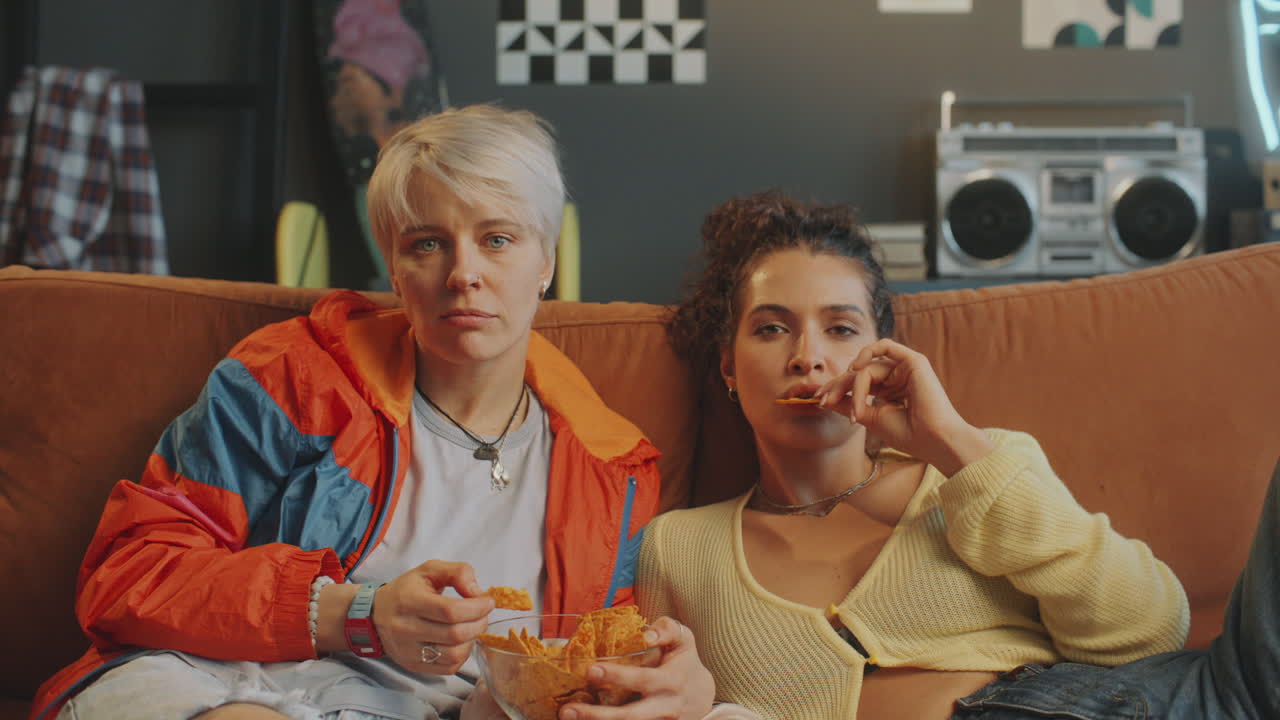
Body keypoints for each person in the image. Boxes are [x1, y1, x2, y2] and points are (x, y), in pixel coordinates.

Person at [30, 104, 714, 720]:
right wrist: (358, 612)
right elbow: (128, 578)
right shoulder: (292, 378)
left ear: (546, 262)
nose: (462, 273)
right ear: (394, 266)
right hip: (226, 685)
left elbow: (597, 648)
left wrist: (673, 683)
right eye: (427, 243)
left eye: (498, 239)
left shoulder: (613, 465)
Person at [645, 190, 1280, 720]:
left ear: (880, 353)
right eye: (772, 327)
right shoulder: (677, 548)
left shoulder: (977, 467)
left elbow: (1149, 630)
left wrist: (949, 441)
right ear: (728, 365)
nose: (807, 355)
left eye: (841, 328)